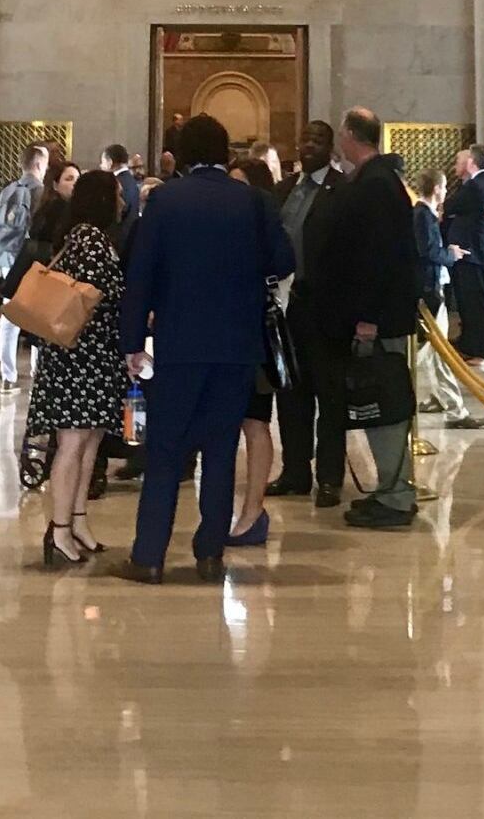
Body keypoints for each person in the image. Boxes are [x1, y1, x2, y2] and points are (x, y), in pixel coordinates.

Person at [112, 113, 294, 584]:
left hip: (180, 342)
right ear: (224, 152)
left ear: (185, 155)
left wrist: (131, 342)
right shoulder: (252, 201)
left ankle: (149, 555)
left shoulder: (166, 200)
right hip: (237, 344)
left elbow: (141, 274)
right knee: (220, 449)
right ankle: (210, 552)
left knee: (165, 449)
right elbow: (284, 259)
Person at [308, 108, 425, 529]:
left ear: (351, 135)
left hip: (379, 318)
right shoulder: (376, 180)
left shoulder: (376, 185)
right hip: (374, 313)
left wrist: (368, 317)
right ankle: (389, 489)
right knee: (379, 404)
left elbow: (378, 258)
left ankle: (396, 497)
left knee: (384, 403)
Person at [27, 170, 130, 567]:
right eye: (116, 194)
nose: (122, 202)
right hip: (79, 356)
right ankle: (58, 528)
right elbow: (94, 293)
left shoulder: (89, 237)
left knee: (89, 443)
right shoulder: (90, 239)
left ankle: (78, 519)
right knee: (72, 444)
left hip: (91, 355)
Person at [270, 119, 343, 502]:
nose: (309, 145)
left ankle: (329, 477)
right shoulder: (284, 189)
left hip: (325, 306)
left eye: (317, 140)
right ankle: (294, 471)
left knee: (329, 396)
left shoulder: (341, 190)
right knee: (291, 394)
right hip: (286, 307)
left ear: (330, 148)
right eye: (305, 139)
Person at [227, 158, 288, 545]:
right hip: (227, 334)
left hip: (253, 335)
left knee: (255, 421)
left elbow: (284, 267)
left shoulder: (266, 230)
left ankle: (252, 510)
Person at [414, 169, 484, 430]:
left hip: (432, 290)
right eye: (444, 187)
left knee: (435, 353)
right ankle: (455, 410)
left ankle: (441, 398)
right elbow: (428, 252)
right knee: (436, 353)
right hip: (429, 292)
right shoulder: (423, 215)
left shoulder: (424, 214)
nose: (446, 192)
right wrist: (451, 255)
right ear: (436, 189)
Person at [0, 144, 49, 392]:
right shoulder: (41, 191)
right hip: (31, 258)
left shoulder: (8, 190)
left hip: (7, 259)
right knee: (40, 316)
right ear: (38, 164)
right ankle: (37, 369)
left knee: (9, 318)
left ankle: (8, 375)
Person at [441, 144, 484, 364]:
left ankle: (482, 350)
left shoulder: (477, 184)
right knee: (468, 302)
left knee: (477, 304)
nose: (455, 165)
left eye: (459, 160)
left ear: (471, 163)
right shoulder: (481, 182)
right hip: (470, 252)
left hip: (475, 252)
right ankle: (469, 344)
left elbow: (451, 205)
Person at [102, 144, 143, 238]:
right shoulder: (131, 180)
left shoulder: (116, 182)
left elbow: (117, 212)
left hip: (118, 237)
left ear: (110, 162)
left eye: (103, 162)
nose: (101, 166)